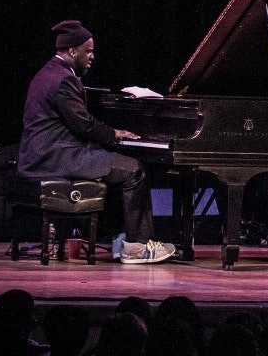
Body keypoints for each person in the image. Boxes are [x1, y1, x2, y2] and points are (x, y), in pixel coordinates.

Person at [17, 20, 175, 263]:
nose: (92, 56)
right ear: (72, 51)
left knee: (114, 166)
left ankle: (119, 240)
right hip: (56, 157)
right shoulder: (63, 80)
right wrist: (114, 134)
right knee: (133, 170)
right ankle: (137, 247)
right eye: (88, 51)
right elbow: (83, 124)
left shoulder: (47, 73)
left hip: (46, 154)